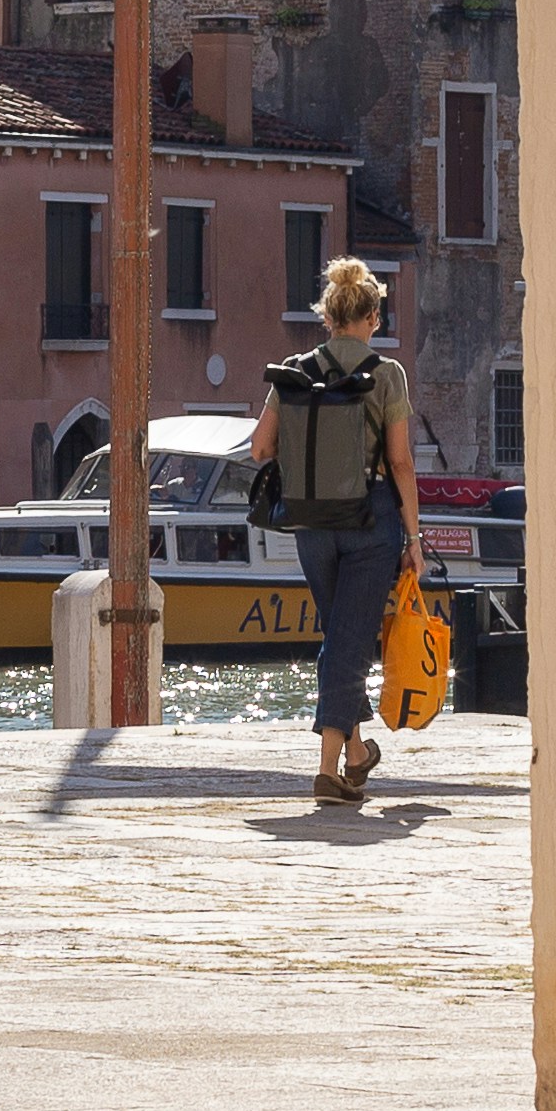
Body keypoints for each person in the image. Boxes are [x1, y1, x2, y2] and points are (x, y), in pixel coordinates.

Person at [249, 255, 419, 805]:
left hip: (311, 522)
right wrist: (414, 539)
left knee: (340, 638)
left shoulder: (295, 371)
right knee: (347, 640)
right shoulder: (387, 374)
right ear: (371, 317)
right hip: (370, 521)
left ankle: (357, 750)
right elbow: (400, 465)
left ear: (328, 317)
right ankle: (329, 770)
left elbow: (260, 447)